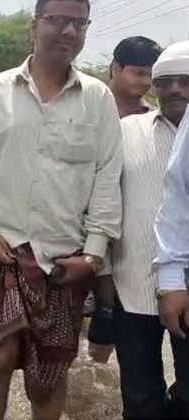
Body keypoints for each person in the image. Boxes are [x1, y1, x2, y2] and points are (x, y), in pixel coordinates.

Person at [0, 0, 122, 418]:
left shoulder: (97, 99)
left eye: (79, 23)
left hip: (65, 261)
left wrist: (93, 255)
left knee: (50, 372)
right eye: (58, 20)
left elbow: (106, 179)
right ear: (34, 24)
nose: (69, 32)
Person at [114, 40, 189, 420]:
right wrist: (102, 272)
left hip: (187, 288)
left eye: (185, 81)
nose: (175, 89)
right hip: (133, 286)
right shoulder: (127, 130)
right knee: (140, 399)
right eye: (167, 81)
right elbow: (104, 202)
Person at [86, 35, 163, 363]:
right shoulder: (86, 110)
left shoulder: (158, 122)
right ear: (114, 68)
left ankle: (96, 385)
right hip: (77, 239)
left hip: (128, 249)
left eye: (150, 74)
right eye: (137, 72)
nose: (145, 81)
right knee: (69, 321)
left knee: (109, 327)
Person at [109, 36, 163, 118]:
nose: (147, 82)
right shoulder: (89, 107)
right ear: (115, 68)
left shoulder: (155, 118)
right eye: (140, 73)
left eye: (151, 75)